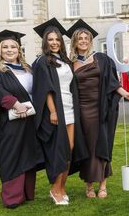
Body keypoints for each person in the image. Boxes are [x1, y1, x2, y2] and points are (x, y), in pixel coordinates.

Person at [67, 19, 129, 199]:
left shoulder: (102, 59)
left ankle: (103, 184)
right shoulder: (70, 64)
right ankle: (89, 185)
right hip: (81, 110)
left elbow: (112, 82)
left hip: (101, 109)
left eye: (86, 38)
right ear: (74, 42)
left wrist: (124, 93)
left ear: (90, 41)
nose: (83, 41)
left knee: (102, 145)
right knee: (86, 147)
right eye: (79, 38)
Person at [0, 30, 43, 208]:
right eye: (5, 47)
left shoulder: (28, 68)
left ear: (19, 49)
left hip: (30, 119)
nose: (9, 50)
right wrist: (15, 104)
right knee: (11, 155)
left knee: (28, 154)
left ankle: (27, 193)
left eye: (13, 47)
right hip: (10, 120)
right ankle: (12, 198)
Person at [32, 18, 88, 205]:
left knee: (69, 150)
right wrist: (53, 111)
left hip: (70, 108)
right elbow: (45, 88)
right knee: (60, 151)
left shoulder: (64, 60)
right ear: (45, 42)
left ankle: (62, 186)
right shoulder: (42, 62)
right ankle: (55, 189)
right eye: (50, 40)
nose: (54, 42)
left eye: (57, 39)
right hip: (57, 111)